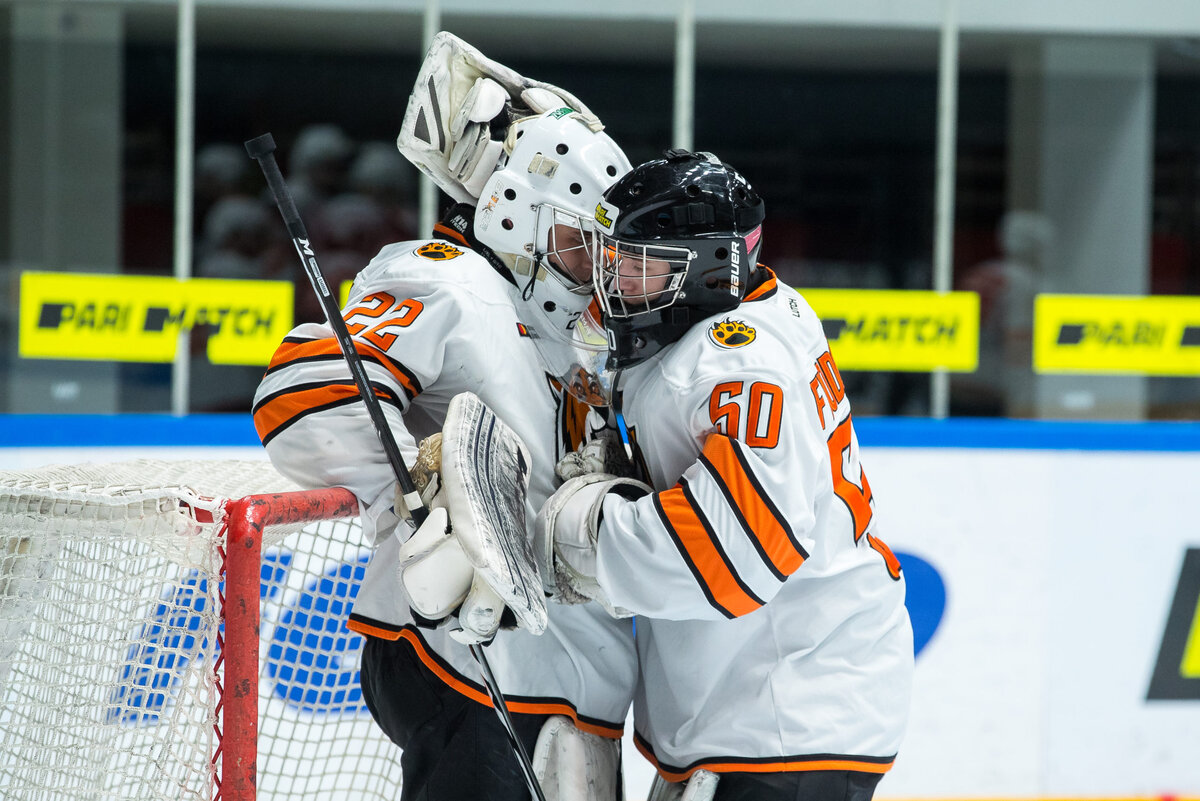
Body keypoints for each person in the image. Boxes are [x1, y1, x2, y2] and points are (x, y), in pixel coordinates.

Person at [252, 106, 635, 800]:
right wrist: (421, 497)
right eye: (580, 243)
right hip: (470, 661)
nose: (594, 270)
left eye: (606, 253)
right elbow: (302, 394)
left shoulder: (578, 339)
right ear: (517, 213)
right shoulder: (451, 282)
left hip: (574, 682)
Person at [532, 151, 914, 800]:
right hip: (760, 703)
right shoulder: (749, 309)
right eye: (615, 258)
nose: (616, 280)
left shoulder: (737, 362)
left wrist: (591, 532)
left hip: (787, 713)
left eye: (642, 263)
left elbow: (736, 548)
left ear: (713, 267)